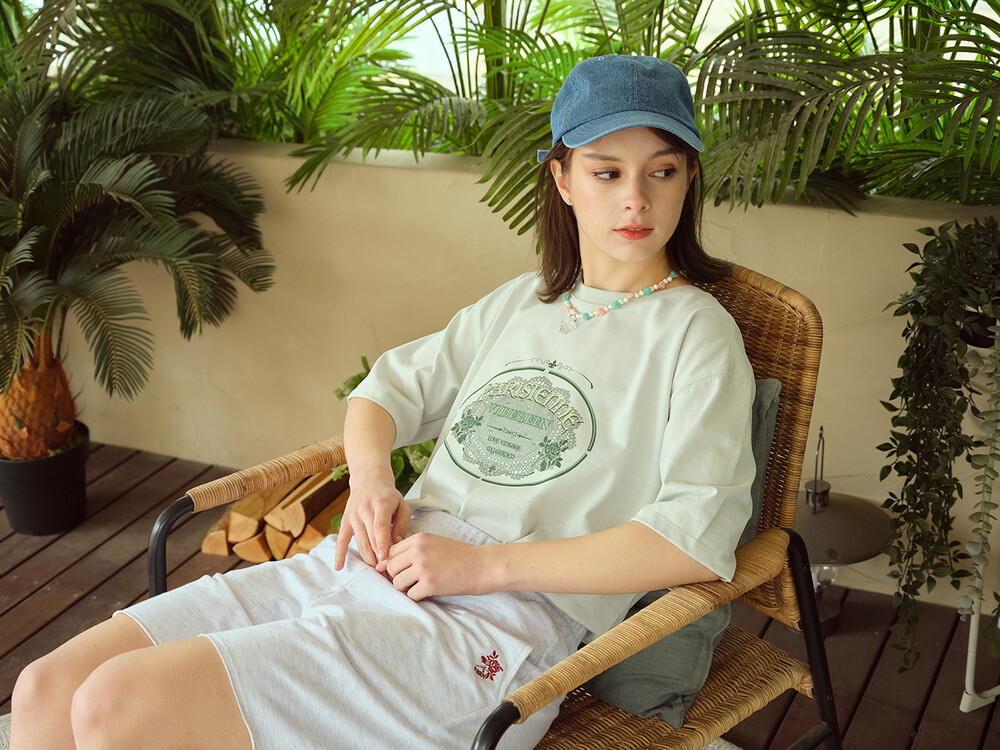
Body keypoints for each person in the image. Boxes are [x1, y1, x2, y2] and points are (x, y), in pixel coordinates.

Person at [10, 54, 756, 750]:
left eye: (662, 171)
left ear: (688, 178)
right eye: (606, 172)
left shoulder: (698, 334)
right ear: (562, 179)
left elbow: (693, 541)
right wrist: (371, 484)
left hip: (497, 628)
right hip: (372, 566)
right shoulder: (523, 303)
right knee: (47, 689)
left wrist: (483, 568)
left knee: (118, 704)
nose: (635, 198)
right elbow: (383, 393)